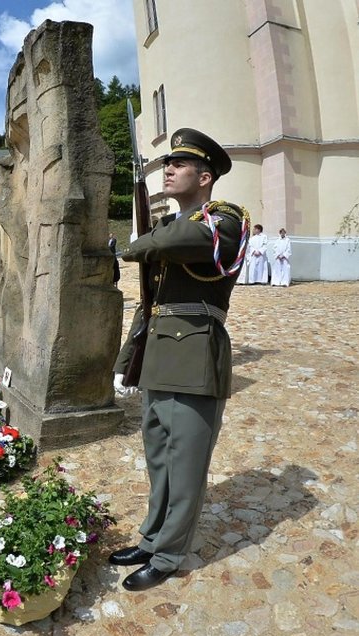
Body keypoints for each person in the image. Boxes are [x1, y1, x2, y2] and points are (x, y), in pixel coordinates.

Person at [111, 128, 250, 592]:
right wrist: (128, 356)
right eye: (165, 164)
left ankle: (169, 555)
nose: (166, 170)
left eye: (179, 165)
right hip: (159, 354)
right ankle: (152, 539)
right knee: (159, 460)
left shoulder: (225, 217)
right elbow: (149, 303)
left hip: (194, 352)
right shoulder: (168, 228)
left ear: (205, 176)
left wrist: (137, 245)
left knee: (186, 464)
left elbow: (185, 241)